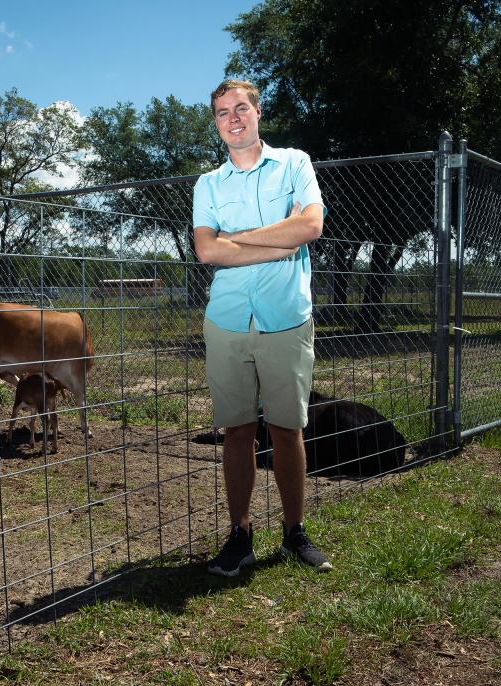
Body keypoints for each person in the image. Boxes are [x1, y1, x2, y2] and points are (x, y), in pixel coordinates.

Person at [192, 79, 332, 576]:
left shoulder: (295, 163)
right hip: (227, 322)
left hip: (285, 318)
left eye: (241, 108)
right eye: (222, 112)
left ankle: (295, 532)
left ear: (257, 113)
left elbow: (310, 227)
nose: (233, 118)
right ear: (216, 122)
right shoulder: (207, 185)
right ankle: (240, 534)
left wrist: (239, 241)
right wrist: (277, 242)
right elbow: (207, 250)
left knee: (287, 428)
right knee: (237, 431)